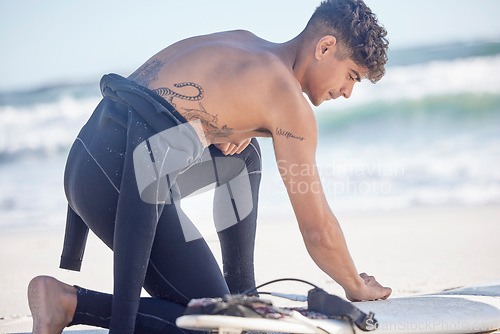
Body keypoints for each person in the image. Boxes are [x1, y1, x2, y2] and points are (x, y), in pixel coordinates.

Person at [28, 0, 392, 333]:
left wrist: (217, 129)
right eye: (351, 75)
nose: (347, 91)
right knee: (215, 325)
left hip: (86, 160)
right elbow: (317, 230)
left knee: (244, 157)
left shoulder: (244, 42)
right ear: (325, 47)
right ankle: (68, 303)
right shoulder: (288, 103)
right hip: (119, 180)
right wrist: (355, 286)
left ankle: (240, 292)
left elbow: (157, 105)